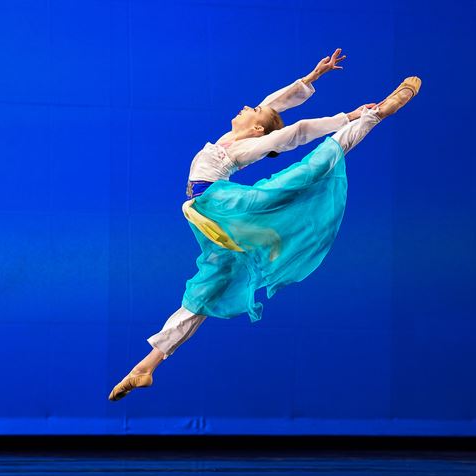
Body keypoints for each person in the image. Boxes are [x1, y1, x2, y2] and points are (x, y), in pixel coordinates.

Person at [109, 48, 420, 401]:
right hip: (211, 217)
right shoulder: (232, 138)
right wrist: (312, 78)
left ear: (256, 128)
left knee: (299, 176)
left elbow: (296, 132)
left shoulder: (242, 149)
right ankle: (147, 366)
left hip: (224, 204)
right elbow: (274, 104)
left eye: (253, 112)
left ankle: (375, 115)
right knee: (208, 288)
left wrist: (348, 116)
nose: (246, 106)